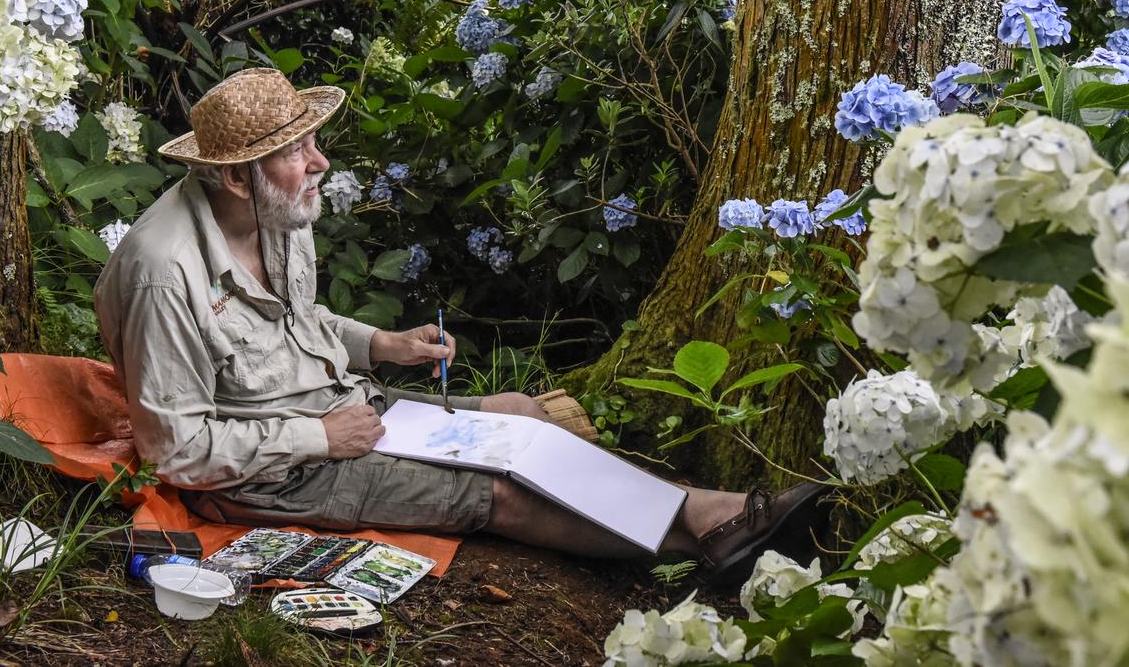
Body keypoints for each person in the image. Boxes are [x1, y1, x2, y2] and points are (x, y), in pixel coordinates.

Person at [94, 68, 827, 580]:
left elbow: (295, 320)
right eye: (297, 151)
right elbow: (177, 454)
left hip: (342, 408)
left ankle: (713, 527)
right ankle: (718, 527)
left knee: (518, 413)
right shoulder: (167, 275)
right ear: (232, 175)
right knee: (501, 493)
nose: (320, 161)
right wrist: (321, 437)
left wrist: (381, 345)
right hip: (272, 472)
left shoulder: (277, 208)